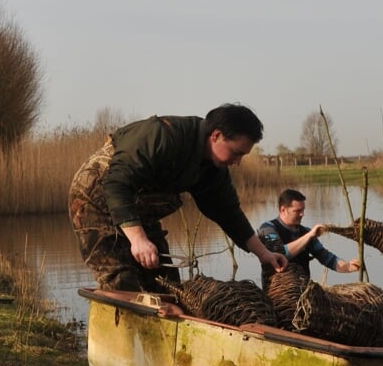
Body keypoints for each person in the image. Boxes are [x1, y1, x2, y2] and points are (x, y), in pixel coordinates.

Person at [69, 103, 287, 297]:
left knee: (168, 287)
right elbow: (117, 183)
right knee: (122, 284)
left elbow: (229, 213)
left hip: (138, 210)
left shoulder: (213, 168)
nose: (237, 162)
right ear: (216, 135)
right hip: (94, 201)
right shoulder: (163, 136)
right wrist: (138, 240)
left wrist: (264, 254)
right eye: (236, 153)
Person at [256, 188, 362, 291]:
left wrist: (349, 267)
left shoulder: (306, 232)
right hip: (276, 295)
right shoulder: (267, 228)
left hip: (303, 294)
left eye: (303, 210)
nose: (302, 214)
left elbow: (327, 258)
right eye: (297, 211)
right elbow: (280, 254)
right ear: (283, 210)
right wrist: (310, 235)